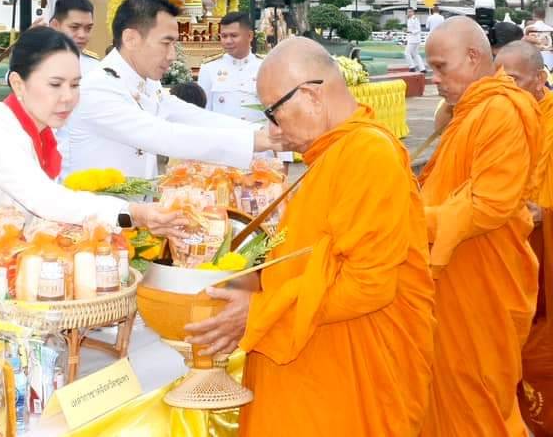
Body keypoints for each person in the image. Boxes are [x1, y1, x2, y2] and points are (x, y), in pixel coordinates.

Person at [185, 37, 435, 435]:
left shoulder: (369, 154)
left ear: (311, 97)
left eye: (273, 112)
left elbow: (369, 285)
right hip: (313, 366)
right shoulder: (335, 153)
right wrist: (255, 280)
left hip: (347, 377)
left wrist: (262, 311)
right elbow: (311, 253)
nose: (273, 128)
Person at [0, 27, 186, 246]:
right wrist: (133, 213)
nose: (68, 97)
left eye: (75, 85)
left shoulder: (42, 130)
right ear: (18, 83)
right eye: (55, 85)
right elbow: (47, 200)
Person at [420, 16, 540, 436]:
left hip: (481, 286)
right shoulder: (468, 111)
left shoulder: (501, 110)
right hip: (453, 285)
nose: (434, 79)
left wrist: (412, 220)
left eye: (441, 67)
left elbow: (489, 204)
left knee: (478, 402)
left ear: (473, 57)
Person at [66, 0, 282, 178]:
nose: (172, 56)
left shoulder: (148, 84)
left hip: (134, 214)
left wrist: (261, 131)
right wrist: (255, 140)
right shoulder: (99, 88)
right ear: (131, 38)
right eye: (166, 43)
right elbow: (165, 136)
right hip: (99, 219)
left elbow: (191, 116)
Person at [494, 40, 553, 434]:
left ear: (540, 78)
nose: (505, 88)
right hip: (515, 249)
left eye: (513, 80)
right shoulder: (503, 118)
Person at [47, 0, 100, 167]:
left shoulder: (96, 68)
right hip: (46, 158)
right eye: (75, 27)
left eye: (88, 28)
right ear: (55, 25)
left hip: (85, 161)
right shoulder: (37, 65)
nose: (82, 35)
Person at [197, 12, 261, 120]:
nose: (228, 41)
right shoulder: (209, 68)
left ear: (250, 36)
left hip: (257, 134)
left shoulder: (264, 66)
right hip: (224, 135)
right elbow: (203, 111)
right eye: (224, 36)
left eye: (234, 36)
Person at [405, 7, 424, 72]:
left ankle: (412, 67)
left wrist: (410, 32)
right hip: (413, 39)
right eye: (408, 12)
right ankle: (422, 68)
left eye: (410, 11)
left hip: (413, 40)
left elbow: (418, 29)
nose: (408, 13)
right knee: (415, 54)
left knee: (407, 53)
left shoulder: (414, 19)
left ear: (413, 12)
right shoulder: (409, 19)